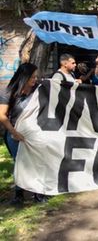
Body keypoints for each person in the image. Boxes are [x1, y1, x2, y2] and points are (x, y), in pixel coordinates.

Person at [0, 63, 46, 203]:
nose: (35, 80)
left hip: (33, 133)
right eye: (32, 77)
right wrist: (14, 133)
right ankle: (19, 195)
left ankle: (38, 193)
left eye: (36, 77)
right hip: (15, 134)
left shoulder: (37, 90)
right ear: (23, 77)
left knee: (36, 162)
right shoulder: (8, 92)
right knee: (19, 163)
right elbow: (2, 115)